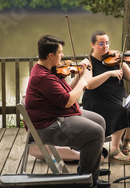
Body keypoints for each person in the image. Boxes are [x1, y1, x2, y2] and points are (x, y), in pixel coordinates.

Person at [24, 35, 109, 188]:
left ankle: (91, 170)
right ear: (51, 55)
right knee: (95, 133)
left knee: (100, 121)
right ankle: (86, 179)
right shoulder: (42, 77)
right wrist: (83, 82)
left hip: (58, 114)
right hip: (48, 126)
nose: (62, 56)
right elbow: (68, 101)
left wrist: (78, 77)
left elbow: (66, 91)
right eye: (60, 52)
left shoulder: (50, 70)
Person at [81, 30, 130, 165]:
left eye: (107, 43)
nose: (105, 46)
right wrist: (109, 74)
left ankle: (126, 140)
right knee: (121, 111)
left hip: (118, 98)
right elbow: (89, 85)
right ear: (93, 45)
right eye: (101, 43)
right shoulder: (87, 62)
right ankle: (114, 150)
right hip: (98, 101)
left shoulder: (116, 59)